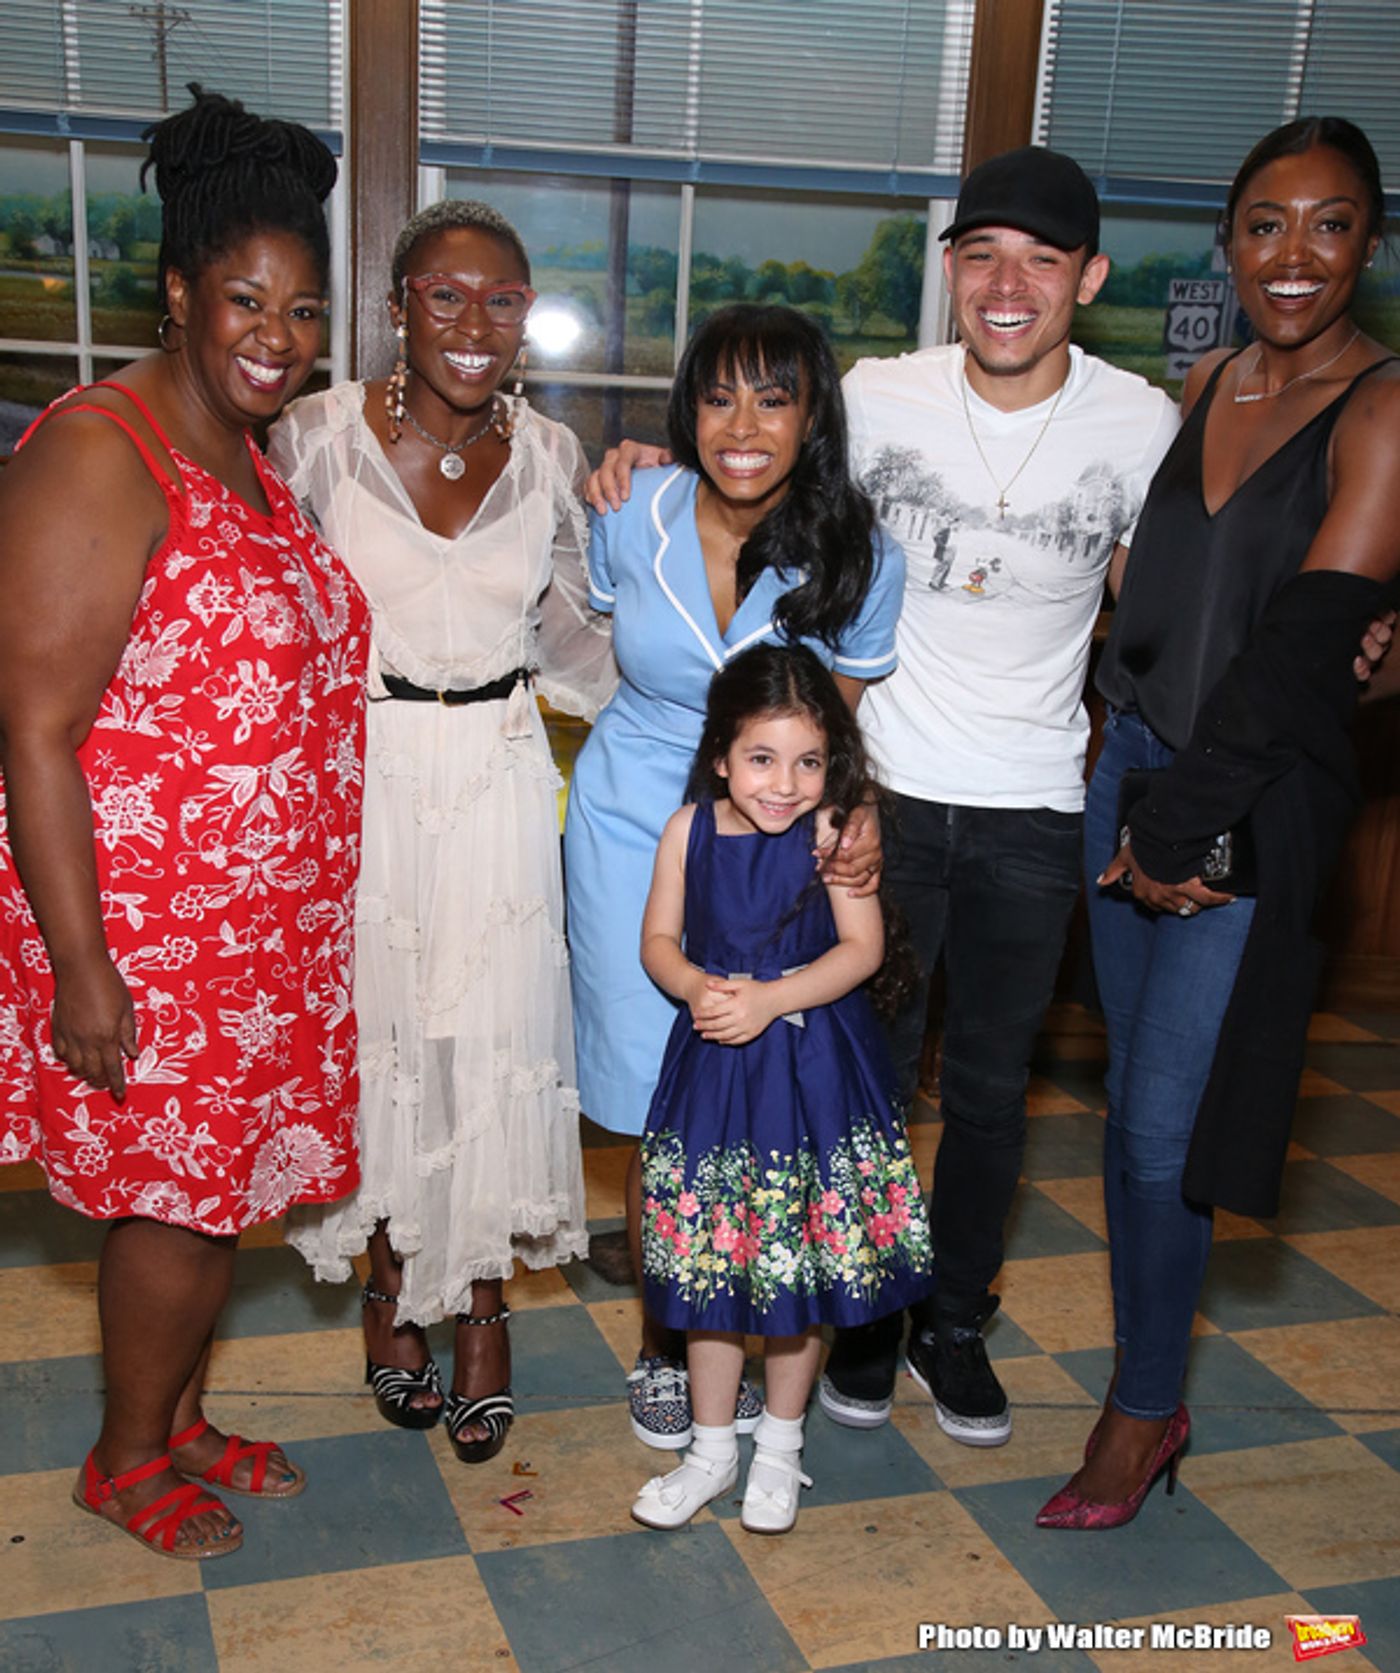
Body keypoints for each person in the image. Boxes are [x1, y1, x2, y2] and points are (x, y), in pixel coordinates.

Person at [587, 149, 1178, 1448]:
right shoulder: (878, 394)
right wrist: (645, 459)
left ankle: (949, 1321)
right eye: (982, 256)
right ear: (950, 269)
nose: (1007, 285)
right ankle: (856, 1318)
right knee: (854, 1079)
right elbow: (757, 457)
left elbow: (1161, 608)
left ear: (1088, 277)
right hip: (878, 802)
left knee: (990, 1088)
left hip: (1035, 800)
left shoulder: (1141, 423)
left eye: (1039, 260)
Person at [0, 89, 367, 1560]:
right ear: (177, 293)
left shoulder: (242, 450)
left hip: (255, 933)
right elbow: (33, 726)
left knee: (216, 1201)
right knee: (169, 1206)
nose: (278, 333)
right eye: (245, 299)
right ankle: (125, 1458)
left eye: (303, 308)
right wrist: (83, 965)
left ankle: (182, 1414)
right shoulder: (103, 449)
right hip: (146, 936)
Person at [1038, 115, 1400, 1529]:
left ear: (1368, 243)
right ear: (1229, 243)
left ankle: (1143, 1410)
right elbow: (1165, 595)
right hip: (1130, 767)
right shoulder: (1206, 380)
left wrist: (1173, 830)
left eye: (1328, 223)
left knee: (1157, 1135)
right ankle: (1146, 1376)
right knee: (1133, 1100)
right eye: (1264, 224)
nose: (1292, 254)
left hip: (1230, 804)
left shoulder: (1380, 408)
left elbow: (1304, 648)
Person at [272, 201, 613, 1462]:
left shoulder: (552, 452)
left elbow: (582, 638)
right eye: (445, 294)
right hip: (361, 781)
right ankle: (386, 1286)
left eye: (502, 299)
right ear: (397, 306)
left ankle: (478, 1304)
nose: (475, 322)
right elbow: (262, 611)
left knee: (485, 1043)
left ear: (525, 317)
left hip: (499, 776)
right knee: (377, 1043)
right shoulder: (314, 437)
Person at [565, 303, 903, 1449]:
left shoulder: (859, 551)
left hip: (774, 844)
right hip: (630, 823)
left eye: (772, 398)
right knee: (652, 1099)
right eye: (717, 397)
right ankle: (666, 1341)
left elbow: (833, 736)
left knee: (767, 1096)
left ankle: (765, 1328)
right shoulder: (629, 509)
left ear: (813, 416)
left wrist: (846, 823)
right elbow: (585, 629)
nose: (742, 426)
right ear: (685, 411)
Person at [630, 644, 932, 1533]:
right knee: (713, 1263)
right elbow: (658, 941)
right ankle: (711, 1449)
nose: (785, 783)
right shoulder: (687, 831)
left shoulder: (834, 831)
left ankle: (781, 1445)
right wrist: (695, 986)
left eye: (808, 762)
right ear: (722, 754)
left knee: (798, 1263)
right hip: (717, 1069)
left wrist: (770, 999)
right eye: (762, 758)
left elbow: (862, 950)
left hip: (813, 1071)